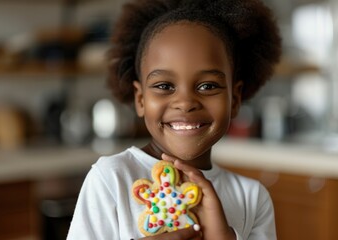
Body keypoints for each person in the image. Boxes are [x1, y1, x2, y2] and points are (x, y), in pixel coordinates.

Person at [67, 0, 281, 239]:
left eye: (208, 85)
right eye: (164, 86)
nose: (186, 102)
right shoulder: (111, 178)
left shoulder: (252, 198)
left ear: (235, 99)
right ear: (140, 99)